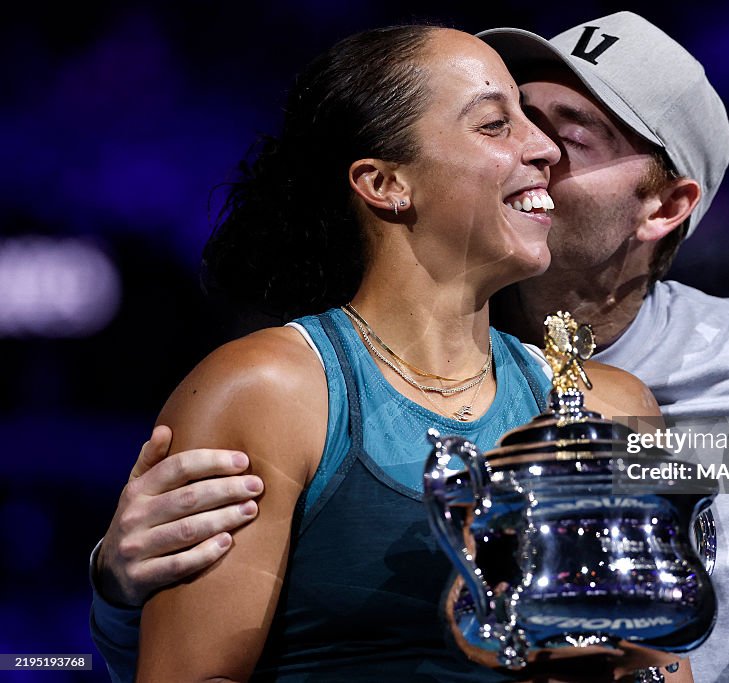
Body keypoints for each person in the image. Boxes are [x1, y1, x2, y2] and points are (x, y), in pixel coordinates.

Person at [92, 12, 729, 682]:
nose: (534, 149)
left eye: (564, 134)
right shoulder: (307, 377)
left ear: (664, 207)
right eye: (505, 119)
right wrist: (118, 585)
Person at [100, 23, 687, 683]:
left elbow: (658, 666)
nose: (546, 147)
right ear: (385, 183)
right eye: (496, 124)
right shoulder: (266, 392)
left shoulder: (611, 405)